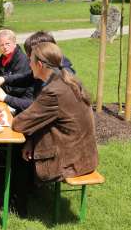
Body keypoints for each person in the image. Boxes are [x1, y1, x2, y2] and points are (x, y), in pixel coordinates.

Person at [11, 42, 98, 214]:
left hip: (71, 160)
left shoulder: (54, 91)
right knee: (23, 144)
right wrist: (31, 141)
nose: (29, 65)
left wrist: (30, 140)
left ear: (40, 65)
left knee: (13, 150)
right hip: (84, 154)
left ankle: (16, 204)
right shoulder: (67, 80)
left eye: (31, 61)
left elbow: (19, 123)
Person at [0, 31, 75, 112]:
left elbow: (38, 106)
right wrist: (3, 79)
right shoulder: (49, 69)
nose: (29, 63)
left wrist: (5, 98)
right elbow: (26, 77)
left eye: (30, 58)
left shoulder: (59, 81)